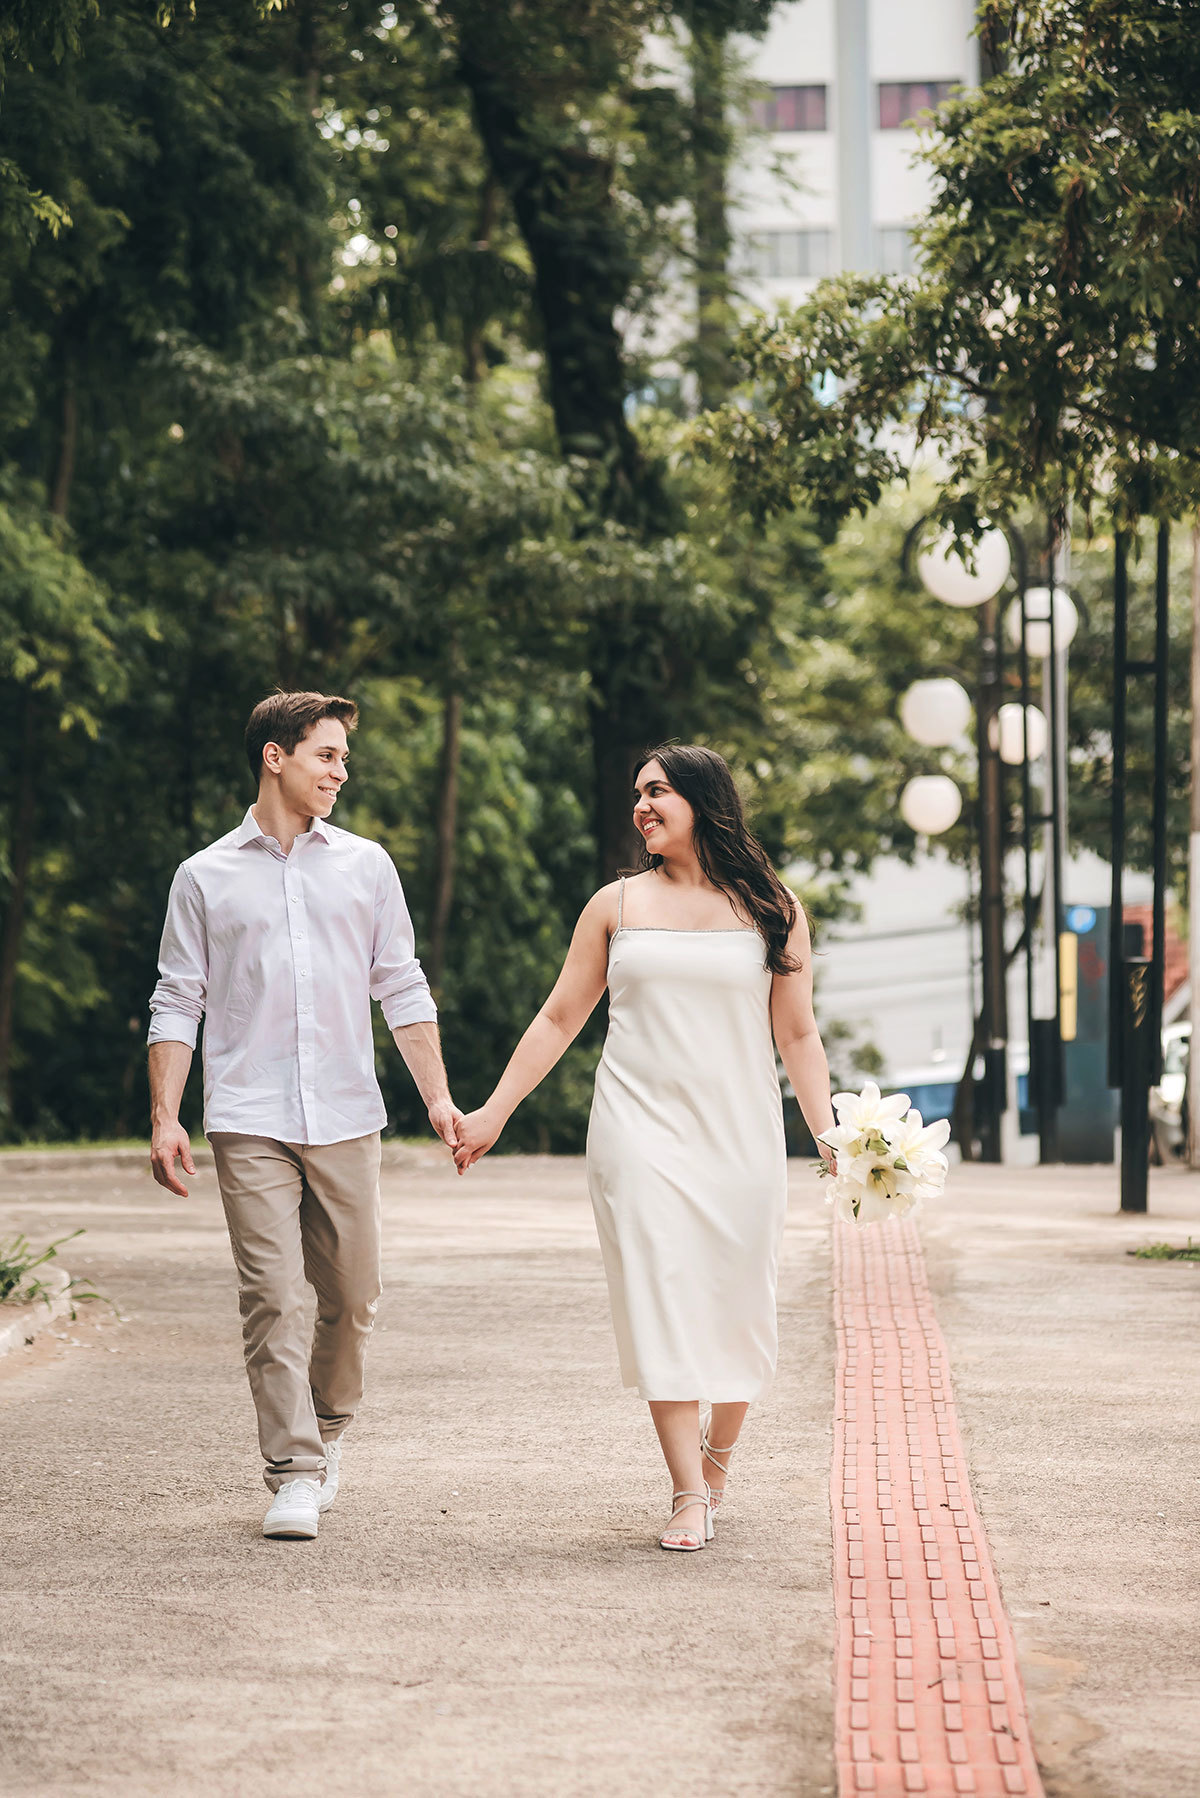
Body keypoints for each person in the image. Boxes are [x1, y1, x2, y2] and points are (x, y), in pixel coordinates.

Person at [454, 744, 835, 1551]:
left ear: (704, 800)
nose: (642, 806)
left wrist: (828, 1129)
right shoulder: (615, 906)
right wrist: (493, 1111)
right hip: (636, 1132)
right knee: (660, 1295)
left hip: (739, 1133)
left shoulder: (773, 906)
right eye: (637, 794)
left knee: (740, 1300)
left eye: (658, 791)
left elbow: (797, 1033)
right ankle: (687, 1491)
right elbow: (560, 1017)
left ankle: (719, 1459)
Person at [147, 691, 461, 1540]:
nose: (341, 771)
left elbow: (401, 983)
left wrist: (436, 1096)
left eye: (344, 758)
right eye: (327, 755)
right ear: (275, 757)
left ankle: (326, 1426)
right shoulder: (204, 877)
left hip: (348, 1112)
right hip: (248, 1113)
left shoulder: (366, 866)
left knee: (353, 1297)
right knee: (274, 1298)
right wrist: (166, 1115)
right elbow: (179, 998)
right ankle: (292, 1470)